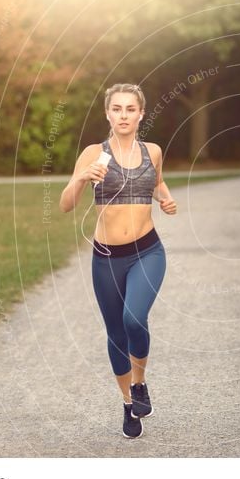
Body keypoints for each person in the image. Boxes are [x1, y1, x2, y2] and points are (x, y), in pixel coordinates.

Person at [59, 83, 177, 439]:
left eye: (130, 109)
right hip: (107, 258)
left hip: (147, 251)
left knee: (133, 319)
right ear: (107, 114)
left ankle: (139, 383)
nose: (123, 115)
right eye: (117, 109)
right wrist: (81, 177)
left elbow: (156, 181)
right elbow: (66, 205)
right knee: (115, 334)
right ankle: (129, 404)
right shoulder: (93, 154)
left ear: (141, 114)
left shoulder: (152, 151)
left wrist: (166, 200)